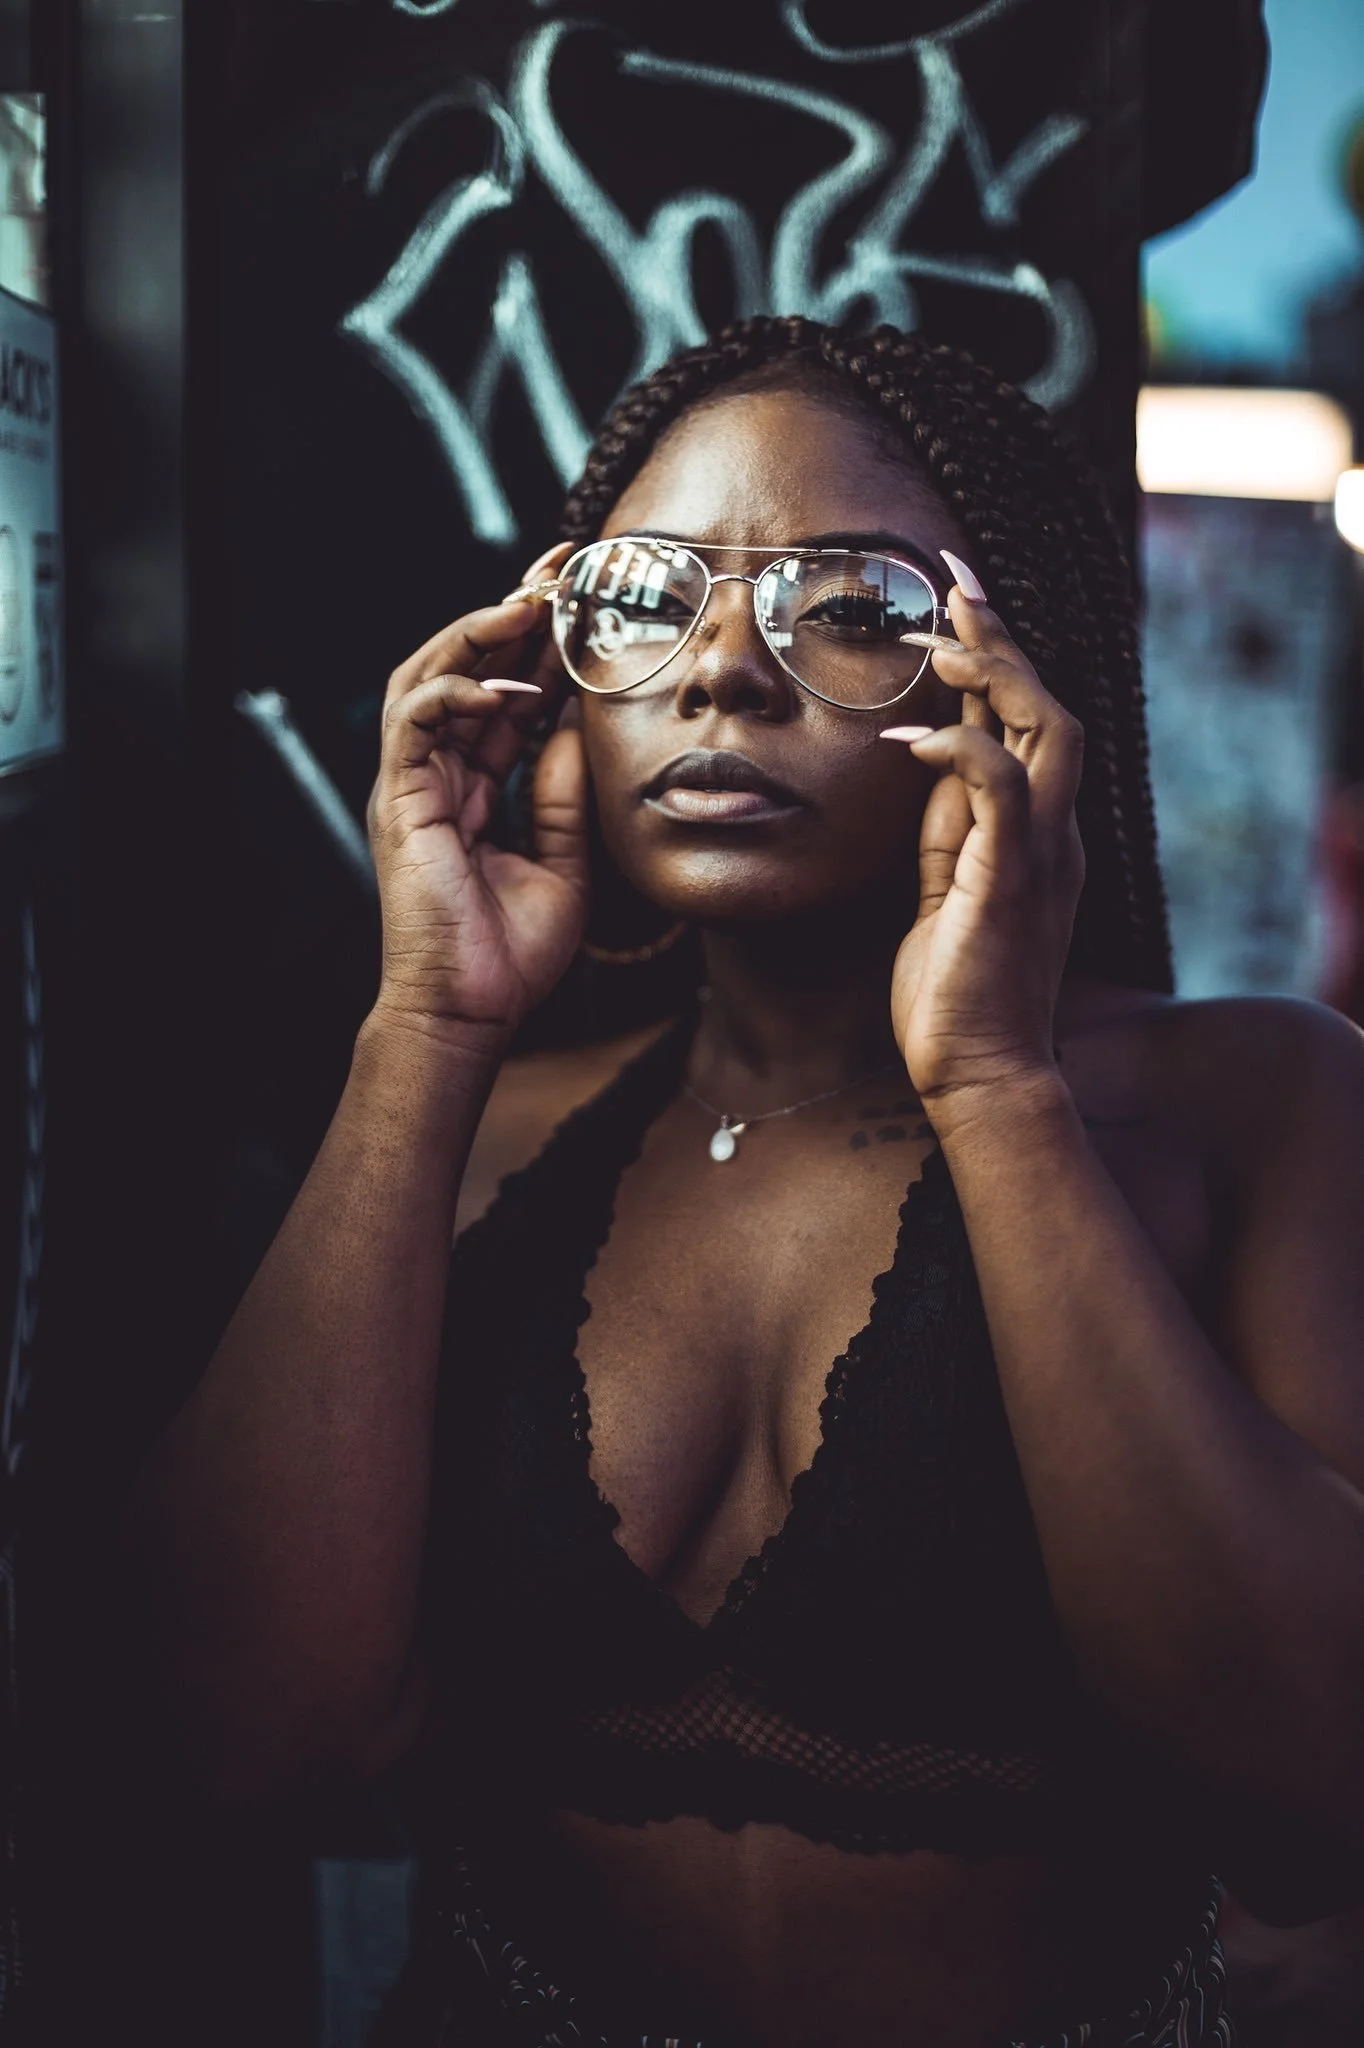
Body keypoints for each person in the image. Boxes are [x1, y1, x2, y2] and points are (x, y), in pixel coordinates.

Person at [129, 318, 1364, 2048]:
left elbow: (1314, 1784)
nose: (723, 674)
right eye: (646, 601)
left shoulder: (1255, 1100)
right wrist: (425, 1022)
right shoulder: (469, 1131)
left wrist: (996, 1085)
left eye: (852, 610)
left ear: (1016, 685)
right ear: (561, 679)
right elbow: (233, 1743)